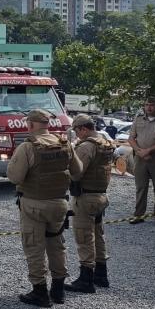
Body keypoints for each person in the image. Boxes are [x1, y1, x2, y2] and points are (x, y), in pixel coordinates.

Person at [7, 108, 82, 308]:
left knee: (34, 247)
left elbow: (14, 177)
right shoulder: (64, 143)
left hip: (33, 204)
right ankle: (58, 289)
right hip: (59, 204)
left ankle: (40, 291)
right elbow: (78, 171)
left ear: (30, 125)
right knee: (57, 245)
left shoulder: (28, 146)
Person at [65, 114, 115, 294]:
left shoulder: (86, 147)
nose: (76, 135)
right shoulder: (104, 142)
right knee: (98, 235)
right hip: (100, 195)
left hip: (85, 197)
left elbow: (76, 173)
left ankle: (86, 279)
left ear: (83, 129)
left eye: (76, 131)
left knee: (84, 236)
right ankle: (101, 275)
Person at [128, 97, 155, 226]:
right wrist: (140, 151)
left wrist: (149, 151)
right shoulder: (138, 120)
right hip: (140, 158)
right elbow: (131, 138)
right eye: (146, 105)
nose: (149, 107)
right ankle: (139, 215)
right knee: (141, 187)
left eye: (152, 105)